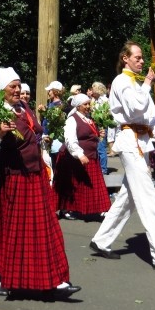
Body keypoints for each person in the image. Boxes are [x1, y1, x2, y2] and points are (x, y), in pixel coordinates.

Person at [0, 67, 80, 298]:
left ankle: (56, 278)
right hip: (11, 180)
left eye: (18, 85)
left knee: (45, 229)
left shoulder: (24, 108)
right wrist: (0, 134)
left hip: (34, 177)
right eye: (12, 86)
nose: (17, 90)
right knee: (8, 231)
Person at [89, 41, 155, 272]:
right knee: (148, 197)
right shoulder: (123, 82)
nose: (142, 61)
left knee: (129, 197)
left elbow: (148, 115)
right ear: (125, 58)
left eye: (142, 58)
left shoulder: (137, 83)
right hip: (130, 143)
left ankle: (101, 240)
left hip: (141, 142)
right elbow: (134, 110)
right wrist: (150, 83)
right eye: (138, 57)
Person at [54, 93, 111, 221]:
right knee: (74, 185)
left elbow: (89, 136)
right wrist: (79, 154)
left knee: (94, 185)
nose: (88, 106)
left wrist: (98, 134)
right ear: (78, 106)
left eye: (88, 104)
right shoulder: (72, 119)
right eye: (85, 104)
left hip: (91, 156)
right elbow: (70, 139)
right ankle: (66, 209)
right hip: (76, 158)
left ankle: (102, 209)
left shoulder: (87, 118)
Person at [90, 81, 112, 175]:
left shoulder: (105, 101)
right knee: (96, 148)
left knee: (101, 148)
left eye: (93, 88)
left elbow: (108, 114)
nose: (91, 91)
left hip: (102, 126)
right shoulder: (94, 100)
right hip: (95, 126)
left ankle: (103, 169)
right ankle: (98, 167)